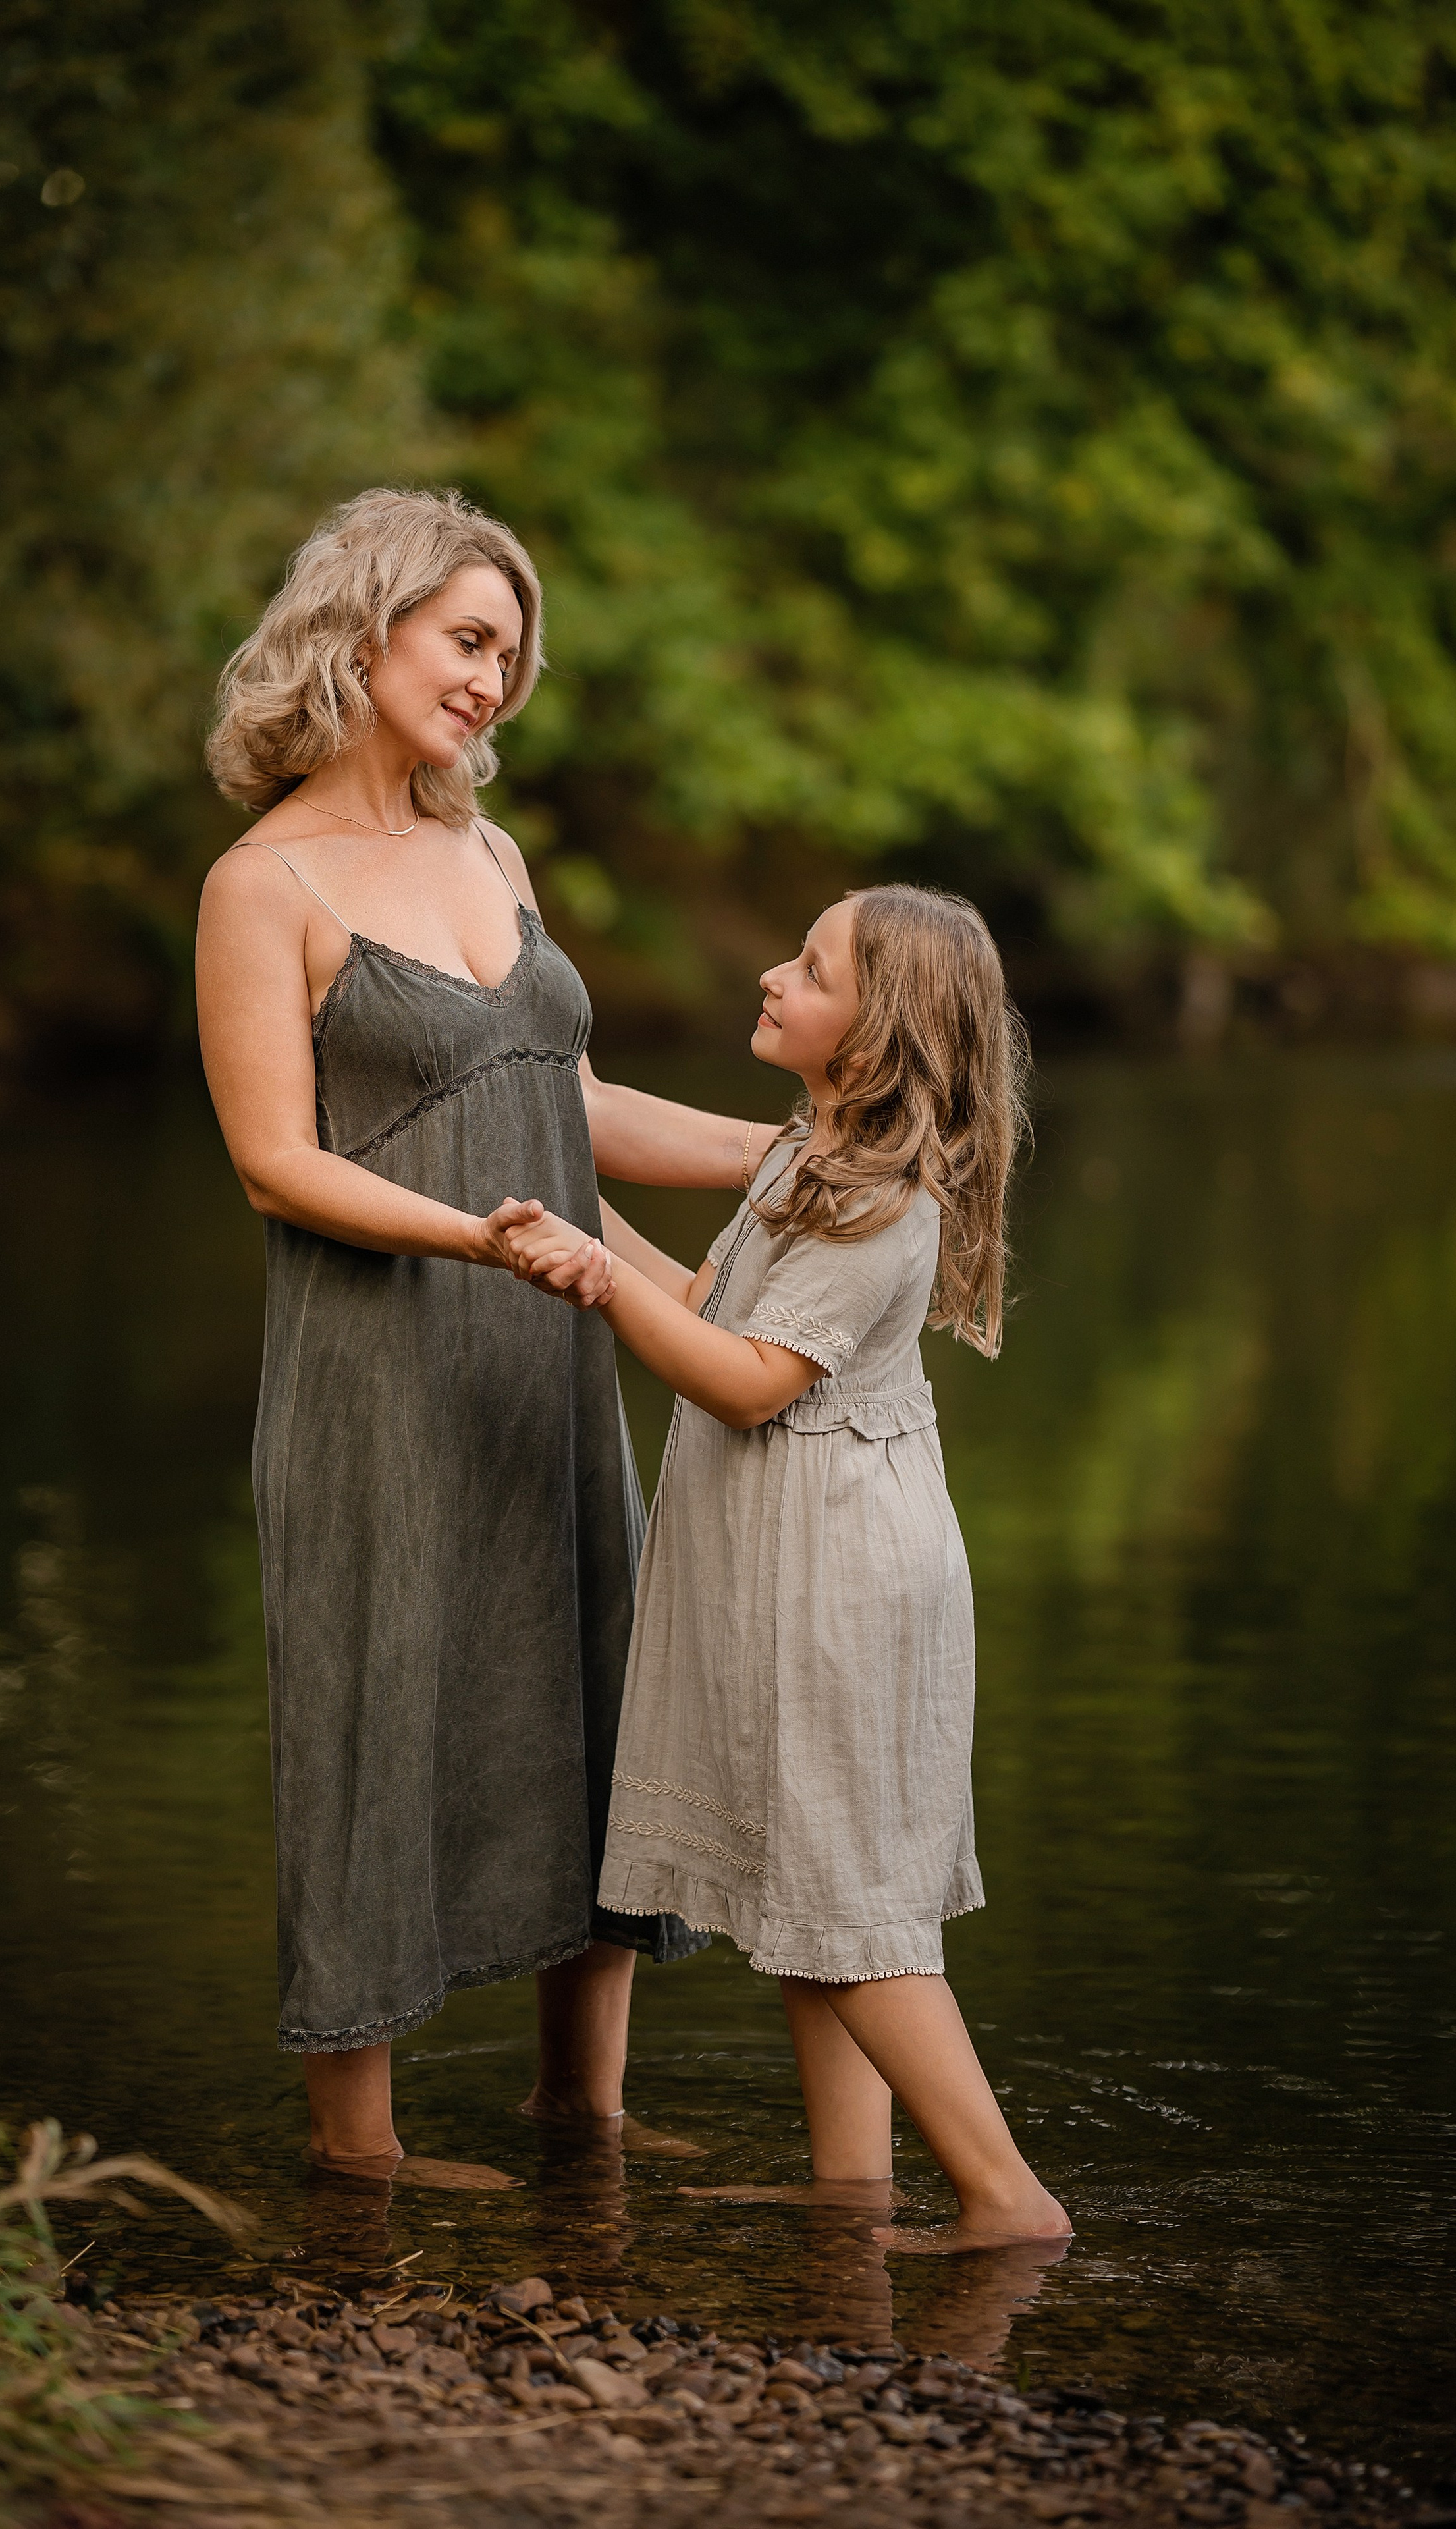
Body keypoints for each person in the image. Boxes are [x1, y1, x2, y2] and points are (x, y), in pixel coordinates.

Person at [194, 485, 780, 2184]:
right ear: (360, 631)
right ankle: (357, 2152)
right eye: (468, 642)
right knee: (379, 1710)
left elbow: (563, 1104)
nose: (493, 684)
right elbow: (271, 1163)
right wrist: (482, 1239)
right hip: (376, 1376)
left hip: (550, 1355)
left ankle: (577, 2113)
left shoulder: (486, 849)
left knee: (597, 1689)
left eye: (511, 655)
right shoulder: (263, 884)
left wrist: (788, 1152)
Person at [506, 884, 1071, 2249]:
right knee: (816, 1895)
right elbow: (707, 1305)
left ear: (869, 1042)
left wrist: (595, 1278)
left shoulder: (880, 1205)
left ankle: (1005, 2202)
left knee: (855, 1914)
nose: (768, 975)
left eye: (806, 970)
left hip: (839, 1579)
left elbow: (749, 1382)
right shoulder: (803, 1155)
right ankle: (852, 2192)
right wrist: (579, 1222)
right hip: (789, 1557)